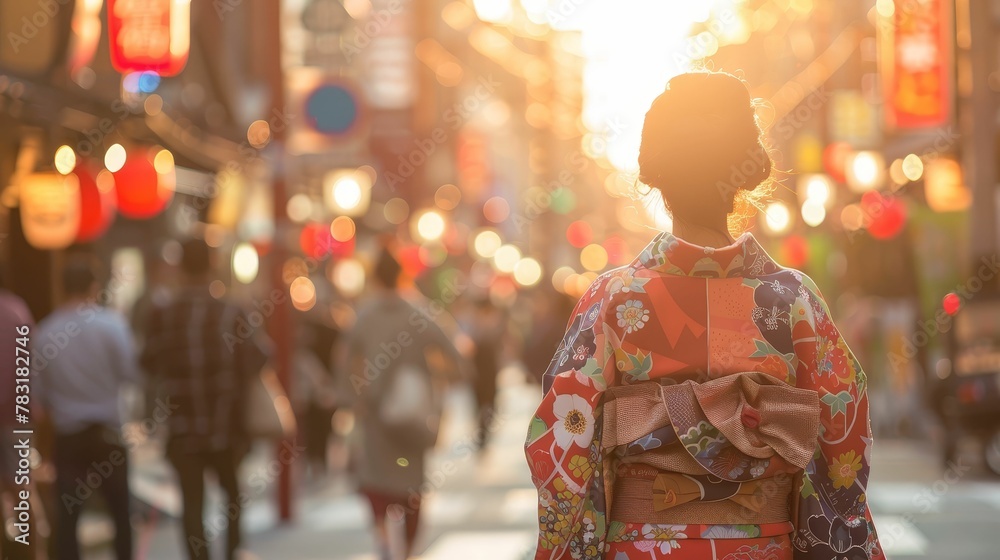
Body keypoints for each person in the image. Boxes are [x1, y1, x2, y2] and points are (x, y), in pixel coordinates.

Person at [524, 72, 883, 559]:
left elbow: (563, 447)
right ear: (744, 172)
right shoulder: (793, 301)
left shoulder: (612, 300)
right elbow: (843, 441)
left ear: (657, 176)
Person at [141, 239, 264, 560]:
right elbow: (260, 357)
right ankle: (234, 552)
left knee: (192, 503)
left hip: (183, 426)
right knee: (233, 497)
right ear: (212, 265)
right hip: (227, 423)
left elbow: (147, 362)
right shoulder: (231, 311)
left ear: (180, 267)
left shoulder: (163, 315)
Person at [338, 249, 462, 560]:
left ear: (376, 278)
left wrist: (353, 399)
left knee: (376, 484)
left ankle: (382, 540)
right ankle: (407, 553)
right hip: (413, 417)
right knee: (412, 489)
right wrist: (438, 385)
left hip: (375, 415)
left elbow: (344, 361)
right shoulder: (421, 314)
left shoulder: (364, 316)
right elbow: (454, 355)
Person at [35, 257, 138, 560]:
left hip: (69, 437)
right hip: (108, 433)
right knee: (121, 514)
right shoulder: (112, 324)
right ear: (94, 287)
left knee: (68, 519)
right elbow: (130, 374)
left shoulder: (45, 332)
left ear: (61, 287)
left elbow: (39, 396)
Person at [0, 262, 36, 560]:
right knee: (22, 493)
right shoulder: (17, 310)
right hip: (15, 416)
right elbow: (27, 366)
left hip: (13, 417)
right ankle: (32, 552)